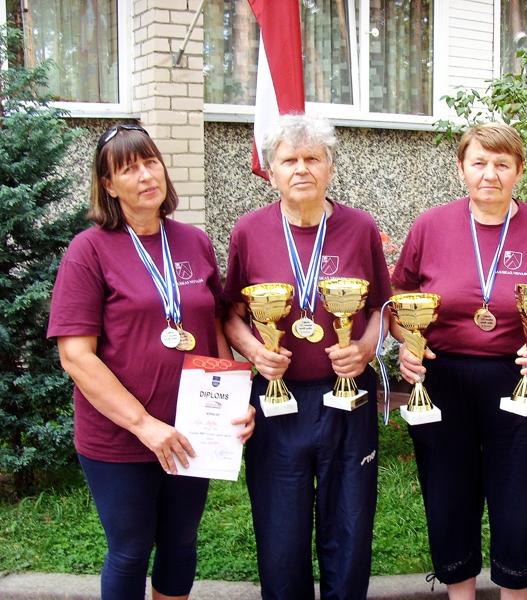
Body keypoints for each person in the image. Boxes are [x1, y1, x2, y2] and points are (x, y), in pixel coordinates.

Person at [48, 124, 255, 600]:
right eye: (128, 169)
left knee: (180, 545)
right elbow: (76, 356)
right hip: (119, 438)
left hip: (192, 429)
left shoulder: (193, 241)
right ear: (108, 185)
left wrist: (233, 400)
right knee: (130, 551)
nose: (145, 176)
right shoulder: (89, 250)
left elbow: (213, 324)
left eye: (150, 162)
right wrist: (144, 425)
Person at [392, 122, 527, 599]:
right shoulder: (430, 226)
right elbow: (398, 301)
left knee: (517, 497)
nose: (490, 174)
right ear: (462, 169)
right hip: (442, 377)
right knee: (448, 494)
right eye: (479, 162)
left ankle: (515, 589)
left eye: (502, 164)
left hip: (519, 376)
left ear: (519, 170)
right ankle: (459, 591)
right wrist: (407, 342)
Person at [222, 114, 392, 600]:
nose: (301, 169)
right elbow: (230, 314)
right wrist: (255, 350)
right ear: (271, 172)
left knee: (350, 527)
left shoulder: (359, 227)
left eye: (312, 158)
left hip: (348, 399)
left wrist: (365, 348)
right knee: (280, 533)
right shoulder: (250, 230)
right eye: (289, 160)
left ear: (330, 168)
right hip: (277, 403)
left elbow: (382, 309)